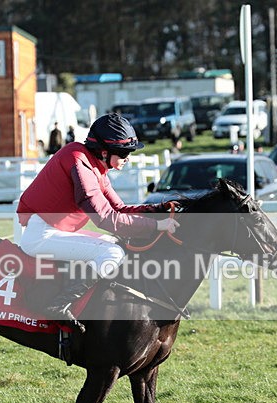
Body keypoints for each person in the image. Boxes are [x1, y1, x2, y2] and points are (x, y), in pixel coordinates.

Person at [17, 113, 179, 328]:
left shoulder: (93, 165)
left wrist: (156, 209)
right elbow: (105, 218)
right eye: (123, 153)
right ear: (104, 152)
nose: (127, 158)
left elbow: (119, 209)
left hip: (56, 231)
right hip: (42, 236)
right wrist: (157, 226)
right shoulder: (78, 162)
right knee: (113, 253)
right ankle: (59, 305)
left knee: (115, 244)